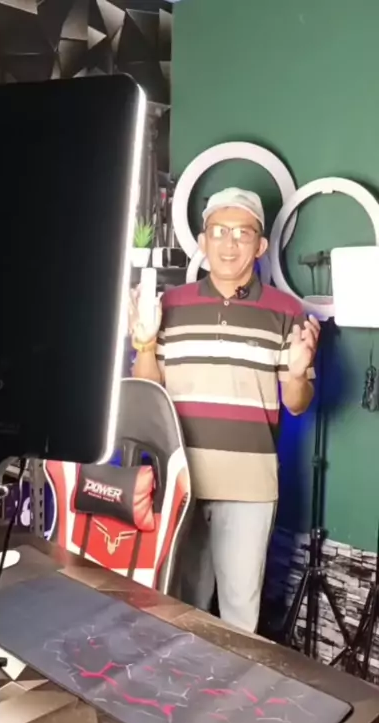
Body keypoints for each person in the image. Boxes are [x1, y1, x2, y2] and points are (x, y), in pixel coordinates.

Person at [130, 187, 320, 633]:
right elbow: (148, 389)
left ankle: (234, 682)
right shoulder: (170, 305)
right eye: (218, 231)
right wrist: (145, 343)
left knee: (239, 616)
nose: (229, 243)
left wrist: (297, 374)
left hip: (249, 486)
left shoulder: (285, 311)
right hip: (181, 482)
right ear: (203, 240)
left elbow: (296, 405)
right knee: (177, 608)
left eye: (241, 233)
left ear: (261, 245)